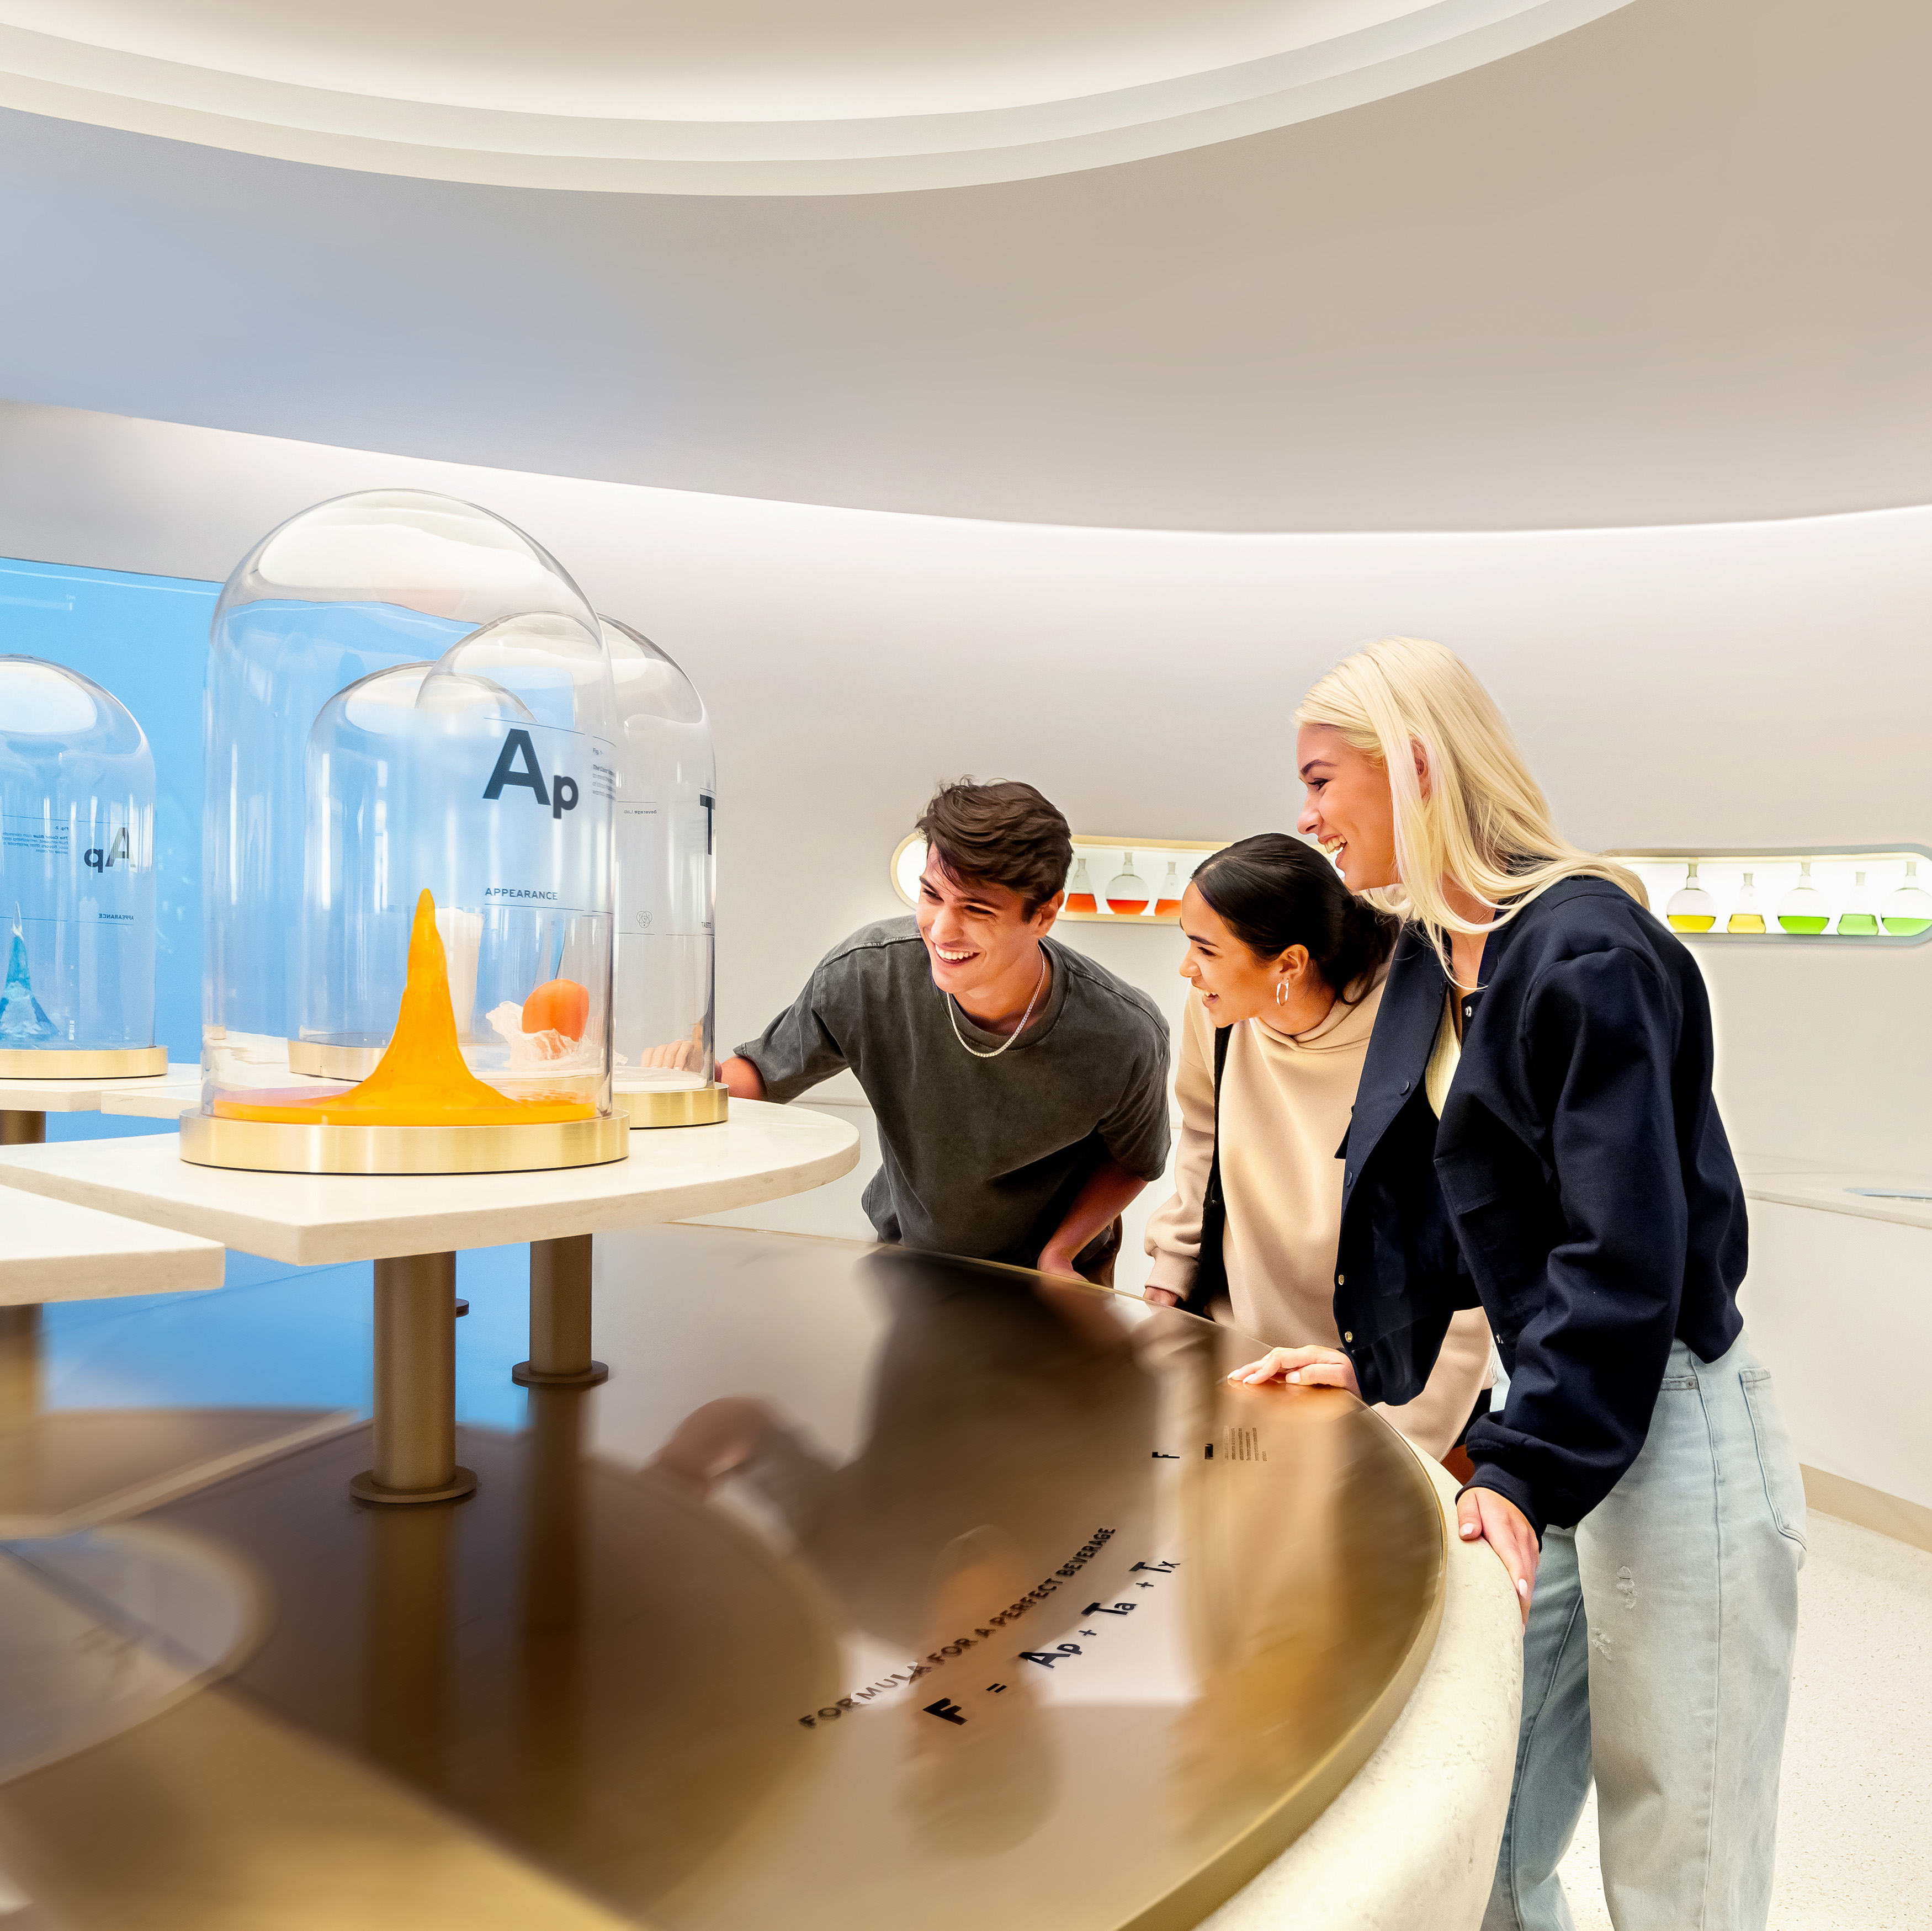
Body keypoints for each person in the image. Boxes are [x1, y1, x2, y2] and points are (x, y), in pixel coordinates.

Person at [1233, 637, 1804, 1931]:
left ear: (1419, 765)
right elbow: (1453, 1205)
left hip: (1658, 1420)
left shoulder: (1588, 952)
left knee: (1680, 1851)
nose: (1307, 811)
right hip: (1544, 1410)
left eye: (1325, 776)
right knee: (1481, 1821)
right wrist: (1375, 1365)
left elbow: (1624, 1255)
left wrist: (1516, 1467)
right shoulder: (1440, 958)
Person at [721, 780, 1170, 1280]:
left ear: (1043, 913)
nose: (941, 930)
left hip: (1053, 1278)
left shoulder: (1125, 1033)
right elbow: (761, 1075)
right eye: (931, 895)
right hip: (910, 1259)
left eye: (976, 910)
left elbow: (1134, 1159)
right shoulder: (867, 973)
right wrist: (682, 1084)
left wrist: (1059, 1253)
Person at [1143, 833, 1493, 1461]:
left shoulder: (1418, 1023)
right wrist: (1169, 1271)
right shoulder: (1216, 1013)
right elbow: (1202, 1140)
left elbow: (1461, 1243)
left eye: (1204, 949)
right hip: (1246, 1357)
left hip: (1393, 1370)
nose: (1185, 969)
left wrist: (1407, 1435)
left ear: (1289, 964)